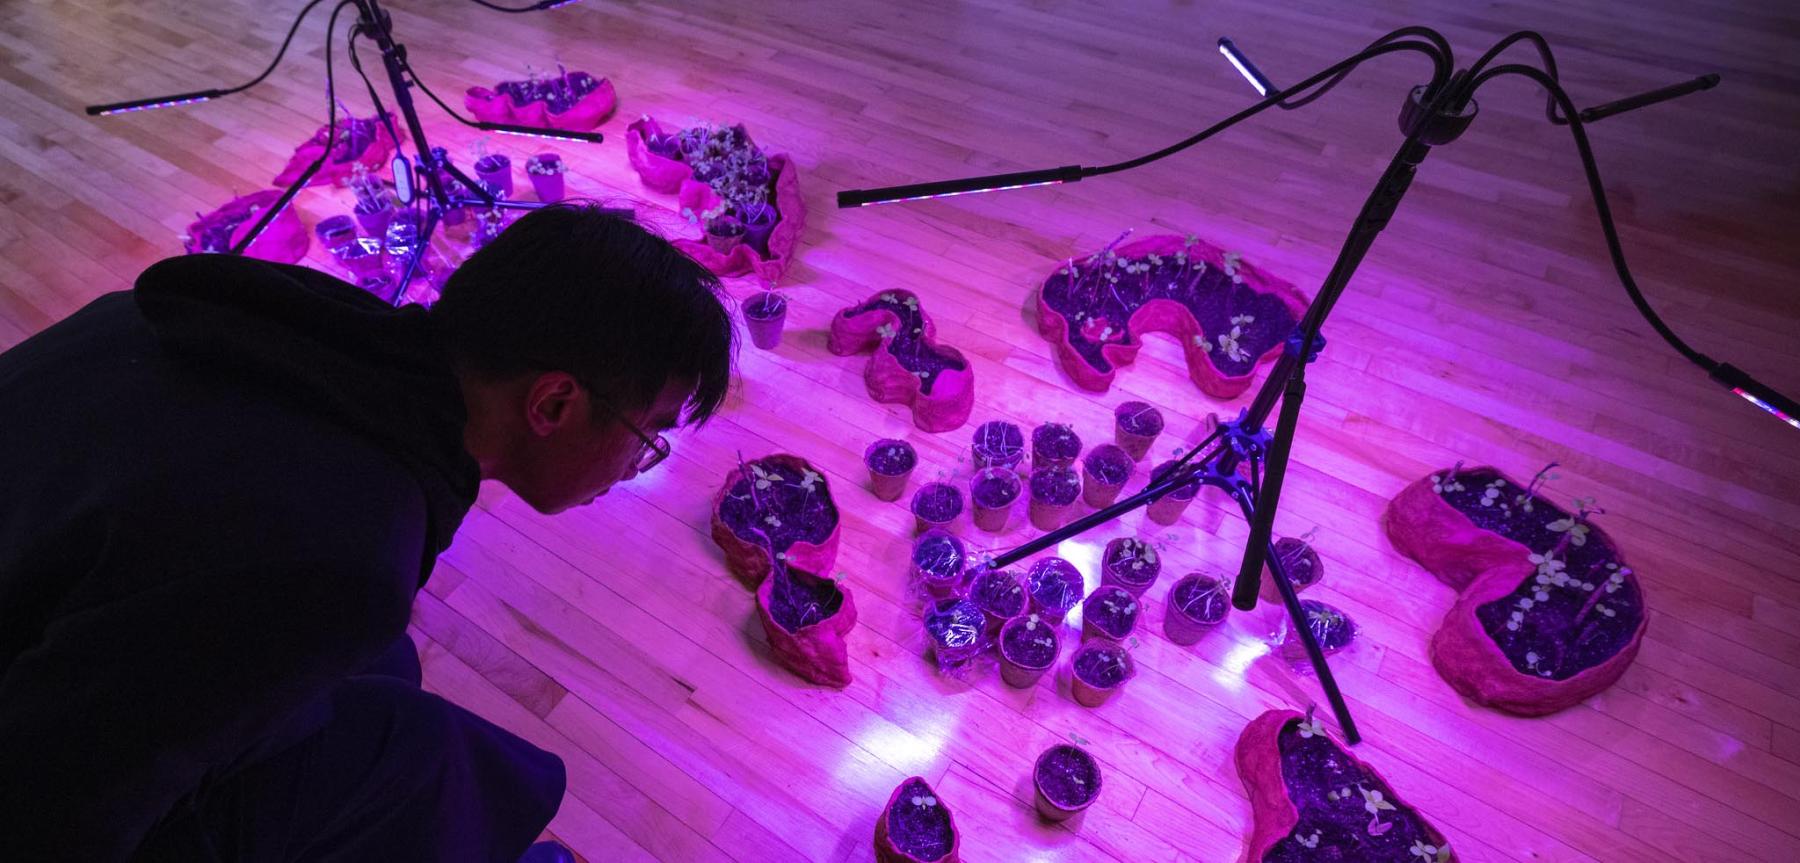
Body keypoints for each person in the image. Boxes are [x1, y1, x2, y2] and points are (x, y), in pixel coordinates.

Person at [0, 203, 736, 861]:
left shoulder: (290, 328)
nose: (640, 461)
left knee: (385, 663)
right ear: (552, 403)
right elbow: (58, 805)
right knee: (421, 756)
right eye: (650, 434)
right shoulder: (342, 547)